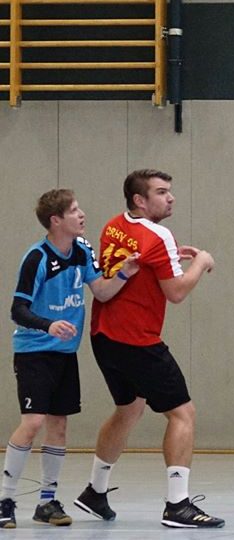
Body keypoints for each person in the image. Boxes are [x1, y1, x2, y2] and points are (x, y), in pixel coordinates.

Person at [72, 169, 224, 529]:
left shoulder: (114, 225)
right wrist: (201, 263)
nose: (170, 198)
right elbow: (176, 292)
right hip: (137, 340)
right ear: (140, 200)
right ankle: (178, 505)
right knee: (183, 414)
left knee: (128, 409)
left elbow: (142, 265)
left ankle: (95, 492)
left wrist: (169, 258)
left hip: (104, 336)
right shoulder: (160, 235)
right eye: (161, 192)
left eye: (169, 191)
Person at [1, 189, 138, 529]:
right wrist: (48, 324)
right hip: (34, 351)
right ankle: (5, 499)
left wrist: (124, 273)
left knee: (59, 425)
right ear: (56, 220)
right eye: (74, 210)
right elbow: (18, 309)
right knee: (33, 422)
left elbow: (101, 290)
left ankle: (46, 502)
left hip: (65, 353)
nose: (82, 214)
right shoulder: (36, 258)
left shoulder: (82, 250)